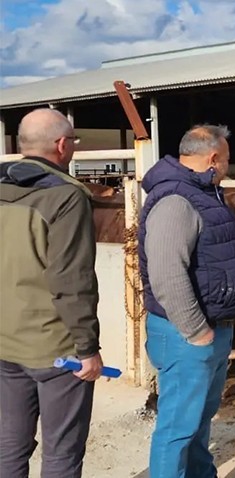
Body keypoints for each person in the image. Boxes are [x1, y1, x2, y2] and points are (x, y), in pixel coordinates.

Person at [139, 124, 235, 477]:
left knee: (198, 420)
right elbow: (165, 272)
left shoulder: (203, 193)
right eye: (227, 160)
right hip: (186, 334)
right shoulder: (176, 200)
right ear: (213, 157)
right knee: (177, 427)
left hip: (210, 327)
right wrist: (196, 331)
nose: (228, 167)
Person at [0, 108, 103, 478]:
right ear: (62, 145)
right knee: (62, 451)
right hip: (55, 349)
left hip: (5, 343)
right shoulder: (66, 196)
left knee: (9, 446)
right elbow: (70, 279)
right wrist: (87, 349)